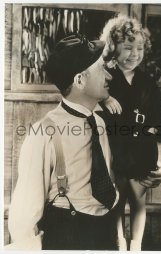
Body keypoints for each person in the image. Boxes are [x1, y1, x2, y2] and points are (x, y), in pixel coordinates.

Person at [6, 34, 120, 250]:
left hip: (105, 235)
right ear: (79, 80)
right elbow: (24, 213)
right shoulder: (44, 132)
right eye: (101, 68)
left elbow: (108, 180)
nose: (109, 75)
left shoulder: (100, 123)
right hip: (67, 237)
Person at [99, 16, 161, 251]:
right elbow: (90, 102)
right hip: (115, 151)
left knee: (138, 201)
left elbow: (160, 116)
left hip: (141, 151)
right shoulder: (104, 77)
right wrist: (104, 98)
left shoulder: (147, 81)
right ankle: (119, 243)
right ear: (113, 48)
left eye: (139, 48)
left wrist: (153, 130)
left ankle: (136, 246)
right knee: (117, 201)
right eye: (128, 48)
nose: (134, 54)